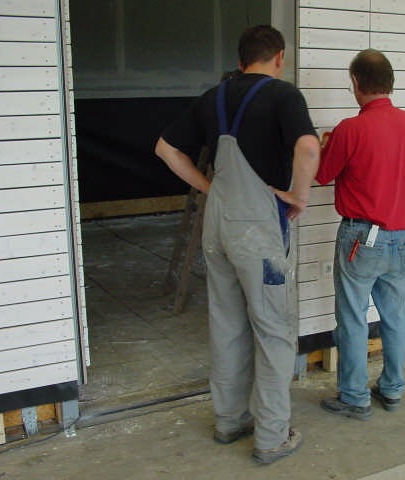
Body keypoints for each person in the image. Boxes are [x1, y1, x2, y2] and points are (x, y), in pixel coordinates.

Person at [155, 25, 320, 464]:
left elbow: (166, 149)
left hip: (217, 227)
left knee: (227, 324)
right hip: (257, 233)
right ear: (279, 58)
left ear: (241, 59)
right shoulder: (284, 95)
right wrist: (300, 196)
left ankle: (230, 421)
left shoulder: (214, 97)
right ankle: (271, 436)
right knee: (274, 330)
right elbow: (308, 148)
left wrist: (209, 188)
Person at [316, 49, 405, 420]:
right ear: (389, 82)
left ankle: (354, 397)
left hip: (360, 240)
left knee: (352, 318)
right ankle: (392, 389)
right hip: (400, 238)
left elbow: (322, 174)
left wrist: (325, 146)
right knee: (394, 315)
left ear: (356, 82)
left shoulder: (351, 129)